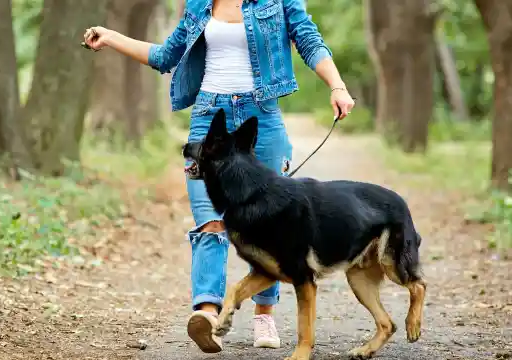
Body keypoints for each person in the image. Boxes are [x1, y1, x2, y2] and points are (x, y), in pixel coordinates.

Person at [83, 0, 355, 354]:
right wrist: (112, 37)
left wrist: (336, 85)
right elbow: (166, 56)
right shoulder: (200, 3)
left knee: (273, 224)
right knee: (210, 221)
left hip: (261, 118)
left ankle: (264, 314)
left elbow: (308, 39)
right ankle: (208, 314)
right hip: (209, 117)